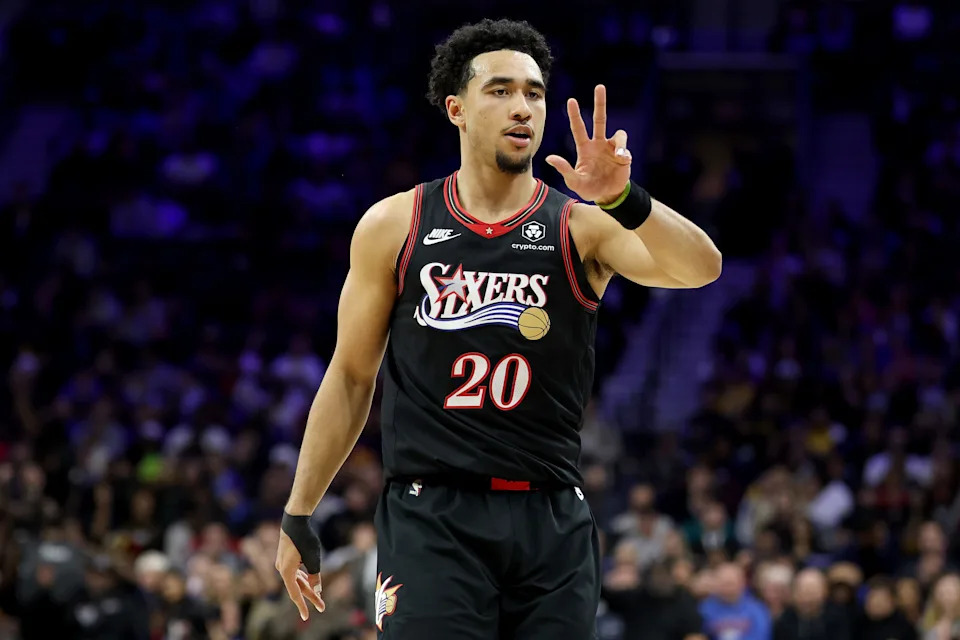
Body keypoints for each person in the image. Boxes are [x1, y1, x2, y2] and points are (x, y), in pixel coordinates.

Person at [274, 18, 721, 639]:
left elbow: (702, 268)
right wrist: (299, 510)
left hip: (551, 514)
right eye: (501, 90)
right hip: (433, 514)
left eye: (534, 94)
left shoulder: (579, 226)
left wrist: (624, 200)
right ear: (456, 109)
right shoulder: (396, 224)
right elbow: (351, 377)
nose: (522, 108)